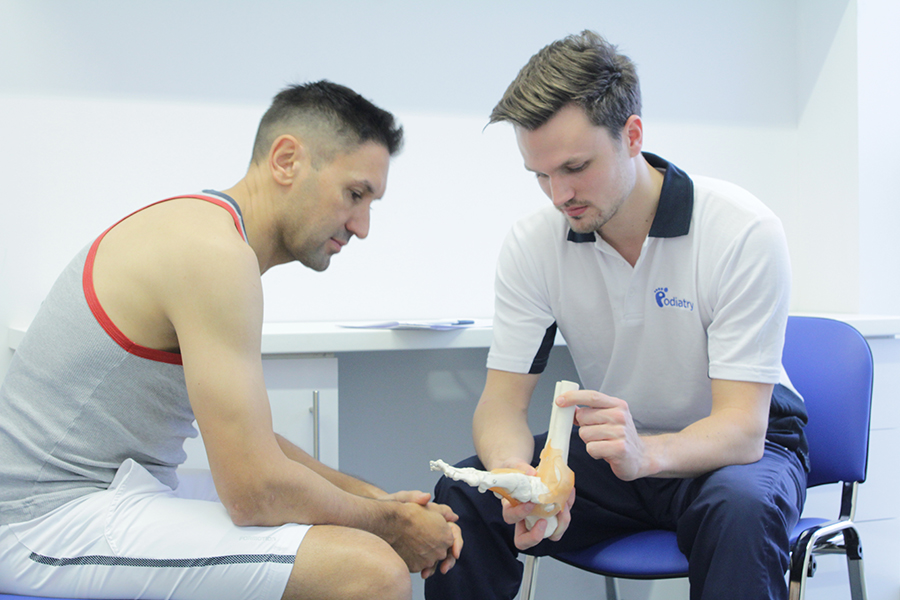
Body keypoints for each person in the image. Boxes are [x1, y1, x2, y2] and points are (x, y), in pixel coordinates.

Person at [0, 80, 461, 600]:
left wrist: (378, 501)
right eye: (355, 194)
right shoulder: (214, 254)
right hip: (37, 521)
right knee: (370, 569)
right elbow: (253, 491)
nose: (362, 226)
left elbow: (251, 442)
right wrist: (390, 526)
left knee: (354, 532)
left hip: (104, 493)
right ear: (286, 160)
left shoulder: (208, 231)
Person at [424, 31, 809, 600]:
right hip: (616, 450)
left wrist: (646, 454)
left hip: (730, 451)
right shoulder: (535, 245)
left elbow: (742, 429)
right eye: (540, 174)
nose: (559, 194)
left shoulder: (740, 231)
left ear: (632, 136)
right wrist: (519, 480)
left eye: (576, 167)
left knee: (740, 511)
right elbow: (501, 404)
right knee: (463, 499)